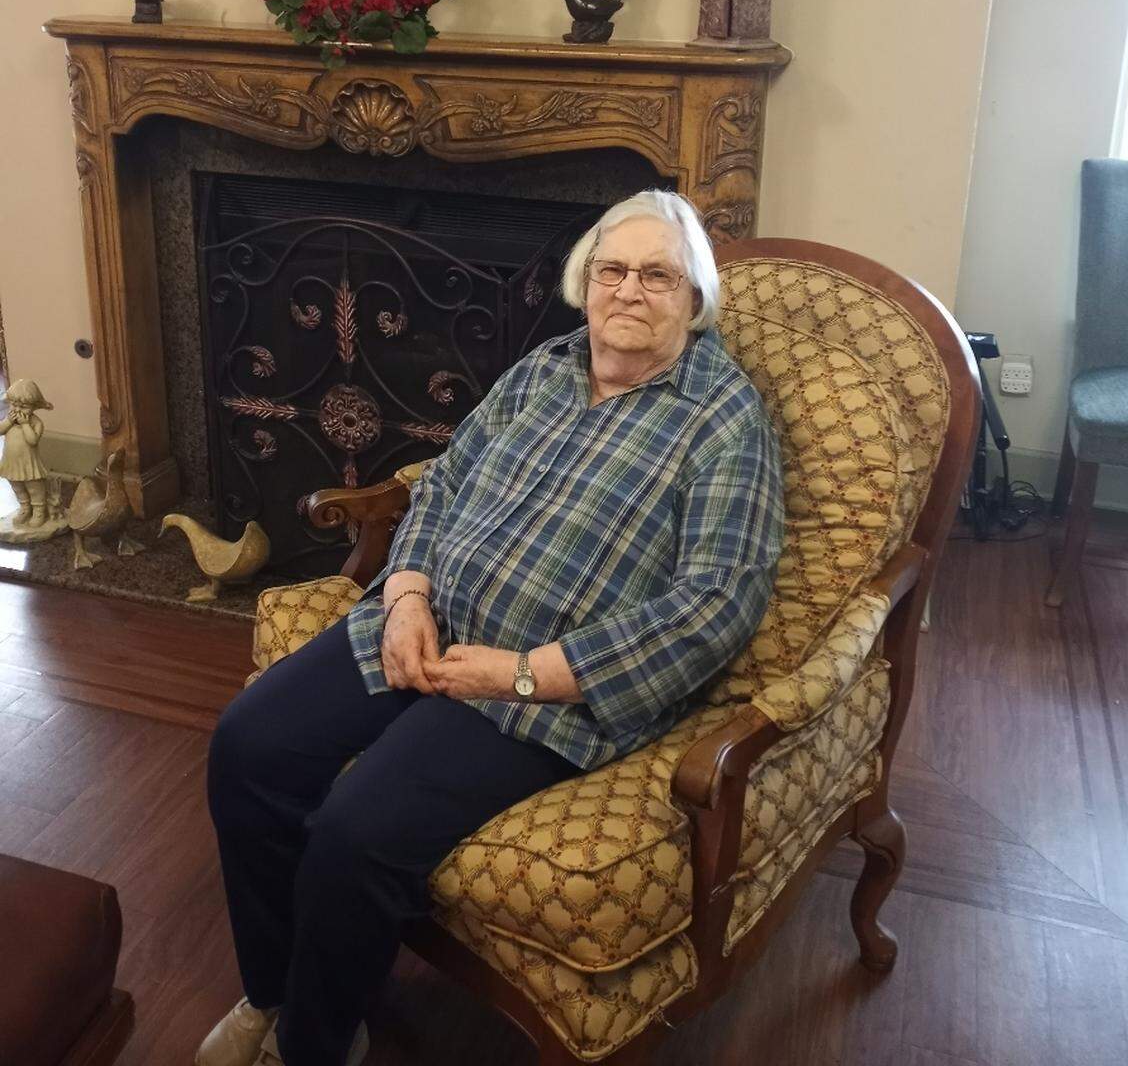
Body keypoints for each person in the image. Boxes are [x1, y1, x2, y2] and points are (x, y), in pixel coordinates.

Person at [199, 189, 784, 1066]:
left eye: (657, 276)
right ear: (585, 286)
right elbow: (438, 482)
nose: (629, 291)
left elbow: (717, 601)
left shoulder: (724, 421)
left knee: (355, 832)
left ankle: (313, 1044)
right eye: (612, 271)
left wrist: (524, 672)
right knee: (246, 747)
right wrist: (405, 595)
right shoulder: (544, 369)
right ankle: (276, 988)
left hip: (539, 692)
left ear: (693, 303)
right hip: (425, 623)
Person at [0, 379, 53, 528]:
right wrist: (9, 422)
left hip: (29, 463)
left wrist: (24, 425)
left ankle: (39, 510)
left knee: (34, 487)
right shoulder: (9, 420)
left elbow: (32, 440)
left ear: (34, 407)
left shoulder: (36, 423)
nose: (17, 409)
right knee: (17, 486)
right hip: (11, 462)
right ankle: (25, 508)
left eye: (23, 407)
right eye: (14, 404)